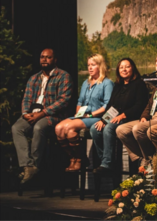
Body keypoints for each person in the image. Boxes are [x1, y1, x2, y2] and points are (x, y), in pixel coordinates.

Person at [12, 48, 73, 184]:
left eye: (48, 57)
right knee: (17, 128)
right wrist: (25, 113)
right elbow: (26, 99)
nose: (44, 59)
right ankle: (27, 166)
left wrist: (42, 113)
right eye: (42, 57)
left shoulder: (63, 76)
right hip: (33, 114)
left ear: (55, 60)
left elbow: (63, 100)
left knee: (39, 127)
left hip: (54, 116)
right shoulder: (34, 78)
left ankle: (35, 164)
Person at [116, 54, 157, 172]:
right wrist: (144, 116)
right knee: (121, 130)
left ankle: (149, 160)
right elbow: (150, 104)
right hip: (152, 117)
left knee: (137, 129)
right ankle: (146, 158)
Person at [90, 58, 149, 174]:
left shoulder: (139, 84)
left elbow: (139, 106)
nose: (124, 69)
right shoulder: (118, 85)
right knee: (94, 129)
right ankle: (105, 159)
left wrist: (123, 115)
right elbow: (112, 106)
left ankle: (107, 163)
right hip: (116, 117)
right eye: (121, 67)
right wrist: (104, 120)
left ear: (133, 68)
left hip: (131, 118)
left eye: (127, 67)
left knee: (109, 128)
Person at [55, 54, 113, 171]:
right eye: (88, 65)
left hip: (97, 117)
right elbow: (80, 101)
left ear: (100, 66)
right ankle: (74, 158)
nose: (90, 68)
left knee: (69, 128)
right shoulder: (86, 83)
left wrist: (91, 115)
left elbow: (107, 106)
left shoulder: (107, 83)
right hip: (84, 116)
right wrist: (78, 115)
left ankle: (79, 160)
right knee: (59, 128)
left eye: (93, 65)